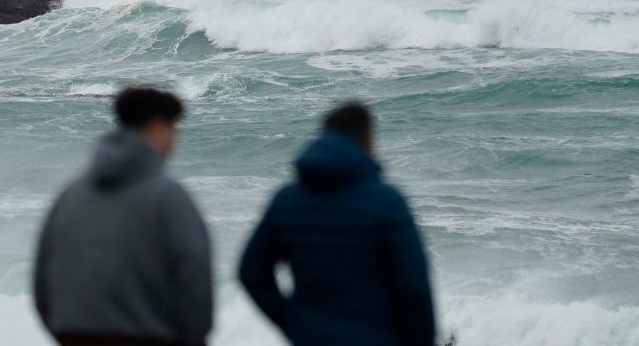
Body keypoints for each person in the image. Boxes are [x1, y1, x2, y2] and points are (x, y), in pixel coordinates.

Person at [239, 102, 436, 346]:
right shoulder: (386, 201)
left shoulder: (287, 201)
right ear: (368, 142)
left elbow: (251, 271)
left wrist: (293, 324)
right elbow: (415, 286)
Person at [34, 87, 212, 346]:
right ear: (157, 127)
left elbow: (43, 281)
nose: (174, 143)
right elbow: (193, 276)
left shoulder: (70, 196)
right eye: (174, 131)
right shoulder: (168, 197)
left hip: (74, 335)